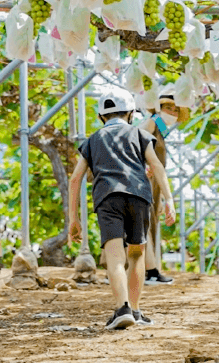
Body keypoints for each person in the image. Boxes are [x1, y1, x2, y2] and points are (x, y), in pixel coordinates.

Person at [68, 91, 176, 330]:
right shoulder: (139, 133)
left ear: (100, 116)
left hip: (107, 198)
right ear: (130, 114)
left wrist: (73, 219)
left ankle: (122, 308)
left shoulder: (93, 140)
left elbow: (75, 179)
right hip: (138, 196)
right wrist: (169, 200)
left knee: (115, 256)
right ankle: (135, 311)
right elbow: (155, 164)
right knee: (136, 252)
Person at [134, 90, 190, 285]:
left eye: (175, 110)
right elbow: (134, 143)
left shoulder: (159, 127)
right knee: (144, 222)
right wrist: (143, 165)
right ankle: (150, 270)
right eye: (168, 108)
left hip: (153, 181)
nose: (172, 112)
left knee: (150, 221)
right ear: (158, 107)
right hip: (144, 179)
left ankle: (149, 269)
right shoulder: (152, 121)